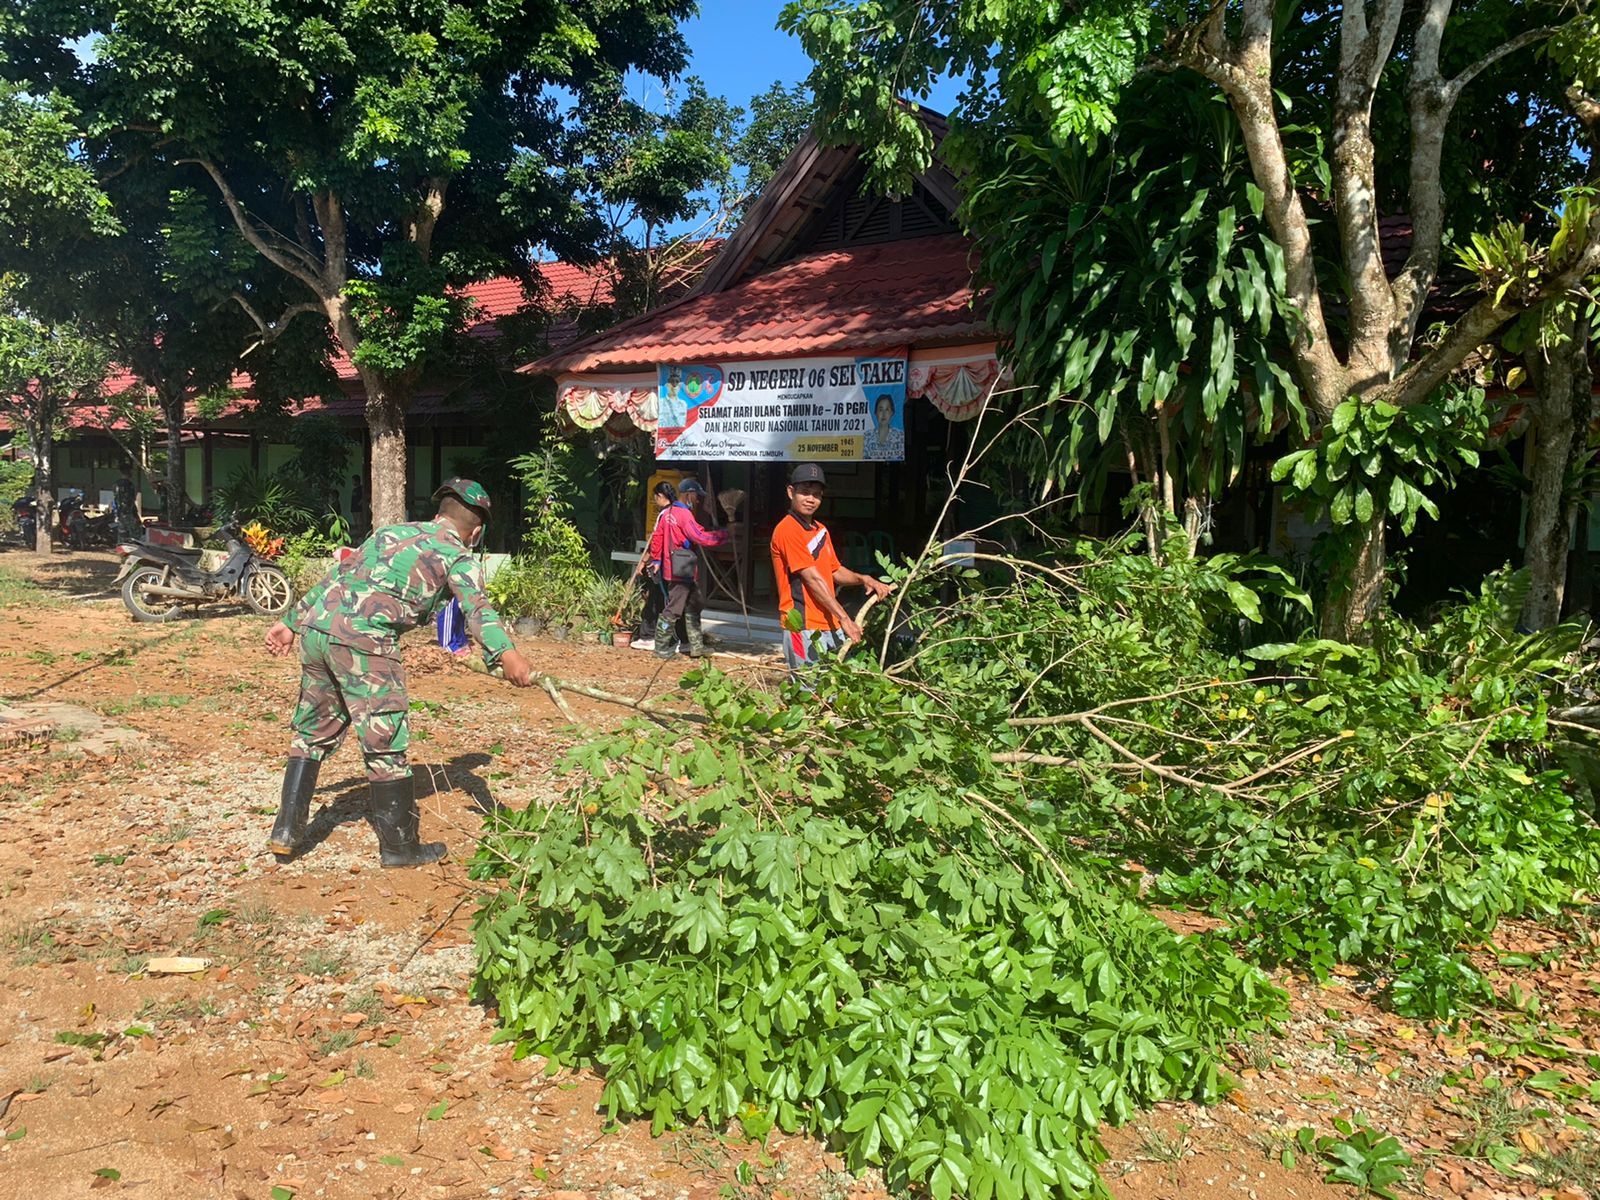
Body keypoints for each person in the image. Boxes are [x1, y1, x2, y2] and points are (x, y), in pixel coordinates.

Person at [263, 478, 535, 867]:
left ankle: (286, 832)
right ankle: (399, 848)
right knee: (385, 741)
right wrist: (508, 655)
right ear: (475, 531)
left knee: (312, 731)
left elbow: (337, 575)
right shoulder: (458, 556)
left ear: (438, 512)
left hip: (319, 630)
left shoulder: (390, 533)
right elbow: (478, 611)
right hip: (365, 642)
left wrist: (291, 620)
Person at [769, 463, 893, 675]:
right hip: (802, 624)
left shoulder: (820, 530)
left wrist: (865, 579)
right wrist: (845, 618)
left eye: (816, 494)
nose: (811, 499)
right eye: (805, 493)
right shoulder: (788, 530)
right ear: (791, 492)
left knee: (837, 687)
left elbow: (835, 571)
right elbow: (813, 579)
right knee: (808, 693)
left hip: (830, 622)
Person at [645, 478, 728, 658]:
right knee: (673, 609)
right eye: (696, 495)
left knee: (693, 605)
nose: (698, 500)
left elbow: (657, 538)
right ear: (688, 493)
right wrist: (723, 536)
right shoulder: (684, 515)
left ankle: (695, 646)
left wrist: (657, 560)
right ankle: (660, 649)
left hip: (673, 567)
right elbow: (699, 536)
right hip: (682, 570)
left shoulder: (667, 513)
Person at [863, 393, 905, 461]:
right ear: (875, 413)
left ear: (892, 412)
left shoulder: (899, 436)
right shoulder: (867, 437)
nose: (884, 414)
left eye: (887, 409)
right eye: (880, 410)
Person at [112, 464, 143, 543]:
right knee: (136, 533)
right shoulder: (129, 485)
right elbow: (130, 500)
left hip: (119, 512)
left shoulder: (116, 484)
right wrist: (134, 514)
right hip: (128, 512)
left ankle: (122, 549)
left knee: (122, 533)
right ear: (127, 472)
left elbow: (116, 499)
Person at [348, 474, 366, 540]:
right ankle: (358, 534)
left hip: (358, 508)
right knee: (356, 521)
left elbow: (364, 496)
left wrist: (360, 503)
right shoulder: (354, 489)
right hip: (353, 508)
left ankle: (361, 534)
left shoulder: (361, 488)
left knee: (359, 521)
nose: (352, 482)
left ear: (357, 481)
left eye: (353, 480)